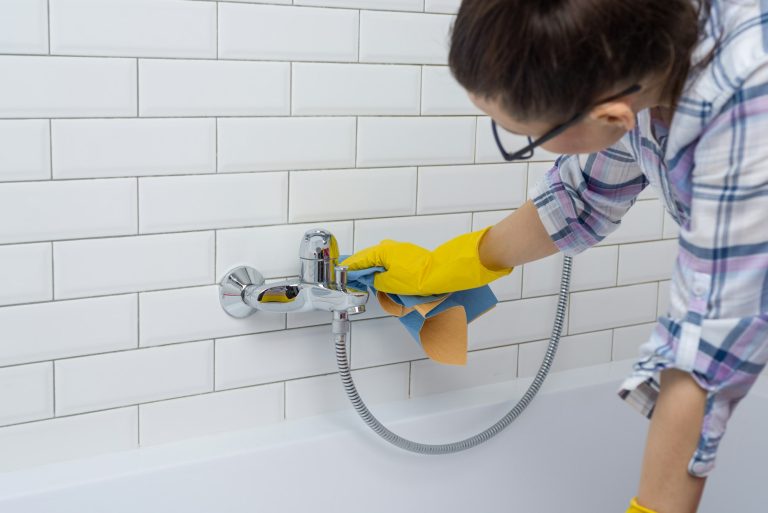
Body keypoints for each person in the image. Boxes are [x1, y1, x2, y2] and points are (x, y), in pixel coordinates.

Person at [340, 0, 768, 511]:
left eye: (527, 137)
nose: (524, 140)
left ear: (611, 114)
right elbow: (581, 200)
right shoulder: (630, 59)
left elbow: (708, 349)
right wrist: (448, 265)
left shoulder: (747, 98)